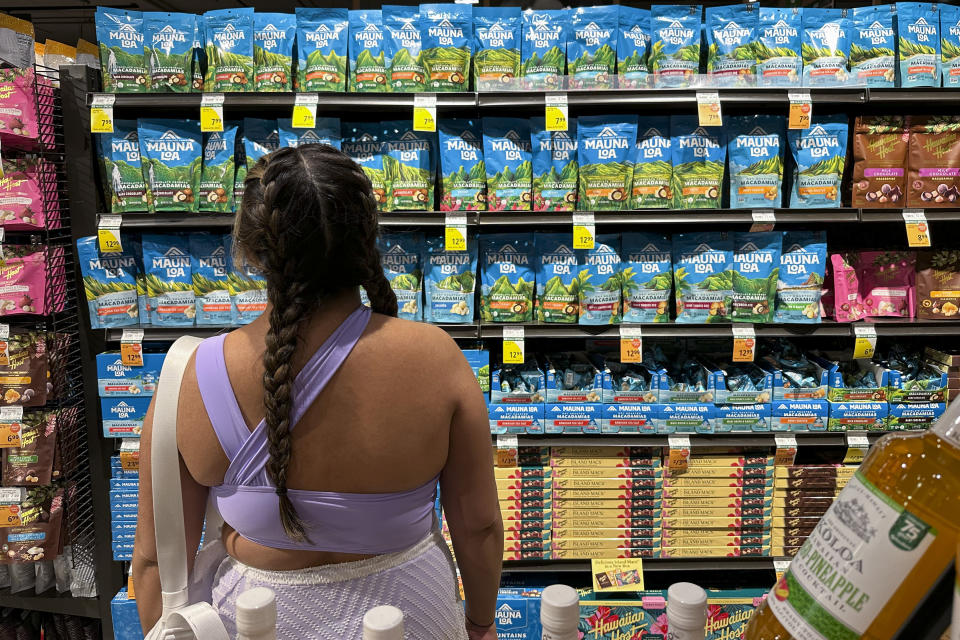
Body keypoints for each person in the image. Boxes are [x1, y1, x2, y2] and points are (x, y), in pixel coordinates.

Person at [132, 145, 503, 640]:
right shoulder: (436, 358)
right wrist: (480, 624)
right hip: (413, 615)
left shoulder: (190, 376)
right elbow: (478, 527)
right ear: (368, 239)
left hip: (256, 620)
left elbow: (155, 561)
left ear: (248, 248)